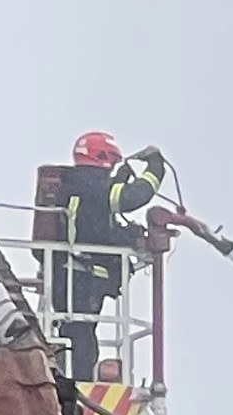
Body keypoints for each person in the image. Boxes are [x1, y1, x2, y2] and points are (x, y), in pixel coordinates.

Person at [52, 132, 175, 375]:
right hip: (83, 277)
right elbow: (133, 197)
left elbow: (95, 223)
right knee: (82, 340)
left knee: (78, 335)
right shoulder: (91, 182)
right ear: (103, 157)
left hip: (72, 275)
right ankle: (80, 390)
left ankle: (74, 381)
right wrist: (156, 168)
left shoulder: (78, 183)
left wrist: (126, 232)